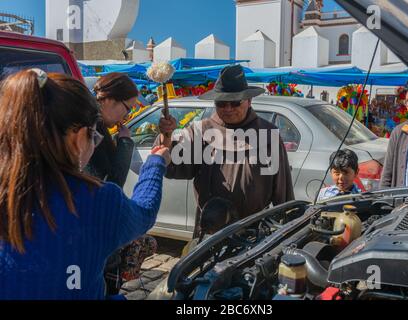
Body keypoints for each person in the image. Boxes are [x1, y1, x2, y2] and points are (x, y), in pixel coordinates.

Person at [0, 69, 170, 300]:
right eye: (93, 137)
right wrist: (156, 163)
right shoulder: (94, 199)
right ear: (80, 136)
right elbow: (144, 211)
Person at [158, 65, 294, 236]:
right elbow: (171, 165)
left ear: (249, 101)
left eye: (235, 102)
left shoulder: (268, 135)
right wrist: (167, 135)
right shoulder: (200, 130)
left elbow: (283, 192)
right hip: (210, 230)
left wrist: (286, 230)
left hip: (255, 230)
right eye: (222, 103)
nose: (228, 108)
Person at [88, 73, 158, 294]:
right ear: (108, 99)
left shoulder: (93, 125)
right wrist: (125, 142)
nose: (127, 116)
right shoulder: (91, 131)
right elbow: (112, 183)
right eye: (127, 108)